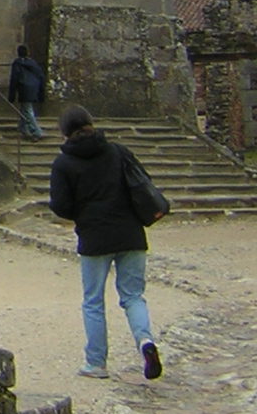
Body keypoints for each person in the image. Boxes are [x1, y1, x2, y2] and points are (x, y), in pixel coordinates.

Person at [49, 105, 164, 382]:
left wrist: (83, 212)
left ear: (65, 132)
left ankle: (96, 363)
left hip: (94, 237)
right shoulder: (117, 152)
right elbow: (142, 182)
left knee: (93, 301)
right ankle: (145, 342)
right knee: (133, 296)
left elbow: (61, 206)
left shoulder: (63, 163)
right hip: (131, 233)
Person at [8, 44, 46, 139]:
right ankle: (23, 128)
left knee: (27, 110)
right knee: (24, 109)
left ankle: (36, 131)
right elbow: (41, 76)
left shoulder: (17, 63)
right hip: (34, 88)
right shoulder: (33, 63)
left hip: (24, 88)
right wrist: (41, 91)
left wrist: (11, 95)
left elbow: (14, 79)